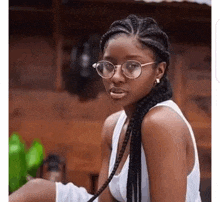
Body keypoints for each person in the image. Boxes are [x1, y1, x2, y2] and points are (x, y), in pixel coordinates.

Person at [9, 14, 201, 202]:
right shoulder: (113, 125)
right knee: (36, 190)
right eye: (109, 65)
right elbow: (105, 200)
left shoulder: (161, 122)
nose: (116, 77)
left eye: (132, 66)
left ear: (159, 70)